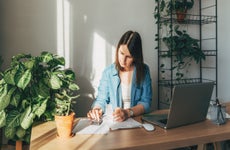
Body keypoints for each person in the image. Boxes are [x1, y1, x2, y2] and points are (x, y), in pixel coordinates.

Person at [87, 30, 152, 122]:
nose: (123, 60)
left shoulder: (144, 70)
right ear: (118, 49)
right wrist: (97, 110)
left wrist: (127, 113)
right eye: (121, 53)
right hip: (115, 122)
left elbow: (146, 103)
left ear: (135, 57)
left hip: (136, 121)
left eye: (128, 57)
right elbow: (101, 99)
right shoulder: (108, 72)